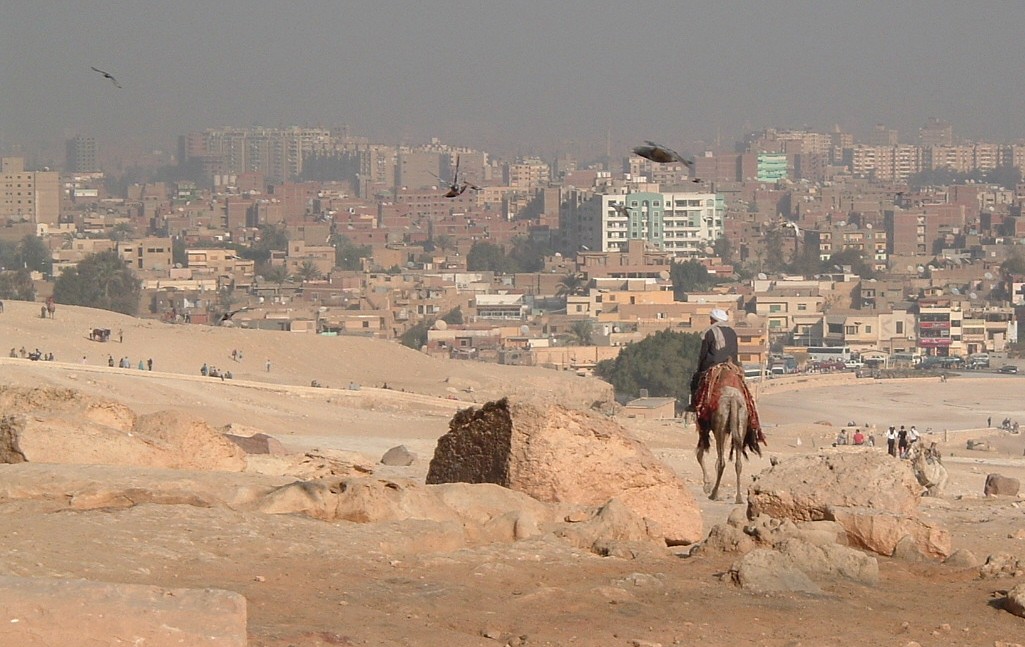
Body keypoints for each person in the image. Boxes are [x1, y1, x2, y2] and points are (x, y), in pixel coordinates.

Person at [688, 309, 739, 412]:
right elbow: (735, 351)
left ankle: (694, 406)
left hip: (713, 364)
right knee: (742, 384)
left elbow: (703, 354)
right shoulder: (732, 332)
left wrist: (700, 370)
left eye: (711, 319)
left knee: (695, 381)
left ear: (714, 320)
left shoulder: (709, 332)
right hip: (731, 364)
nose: (710, 321)